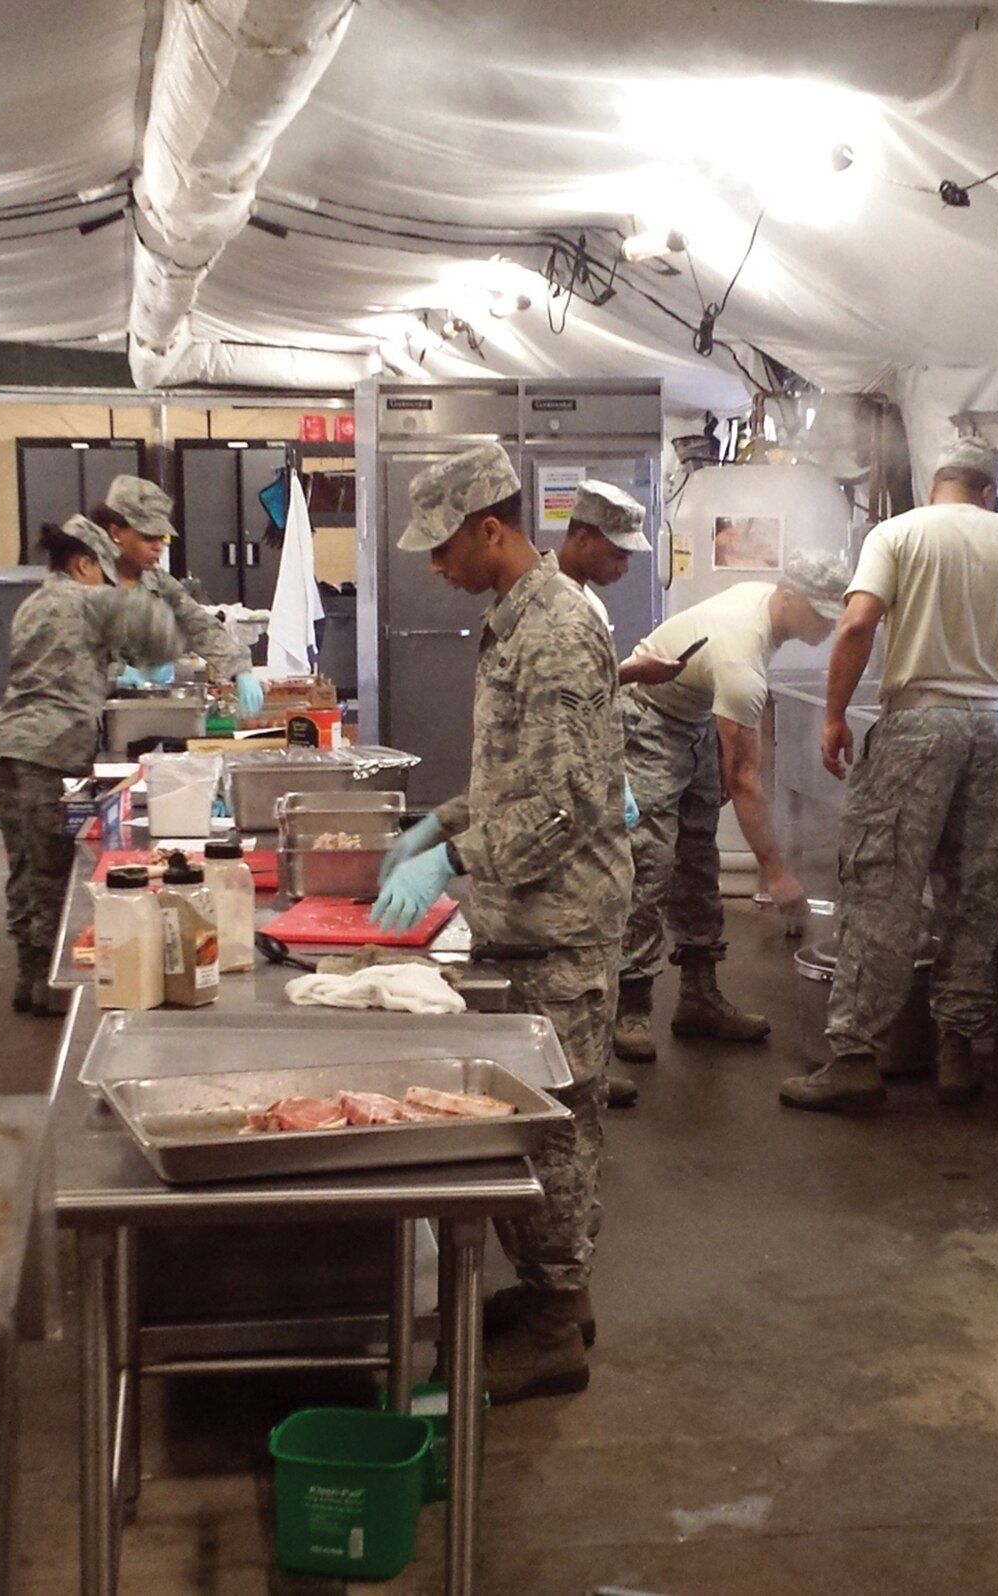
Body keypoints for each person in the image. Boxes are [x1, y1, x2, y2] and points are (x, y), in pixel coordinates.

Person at [369, 442, 628, 1403]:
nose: (434, 568)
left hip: (562, 922)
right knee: (533, 1117)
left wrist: (454, 858)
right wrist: (442, 819)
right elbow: (518, 781)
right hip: (525, 913)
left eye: (442, 548)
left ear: (490, 529)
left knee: (554, 1126)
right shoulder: (513, 617)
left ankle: (557, 1328)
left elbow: (561, 804)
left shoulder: (556, 628)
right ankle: (555, 1294)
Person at [780, 437, 998, 1113]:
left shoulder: (897, 534)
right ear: (989, 491)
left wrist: (835, 714)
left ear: (939, 486)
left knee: (883, 887)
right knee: (975, 893)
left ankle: (857, 1058)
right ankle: (957, 1052)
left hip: (921, 723)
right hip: (994, 727)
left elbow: (858, 622)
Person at [611, 549, 852, 1089]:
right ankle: (631, 1005)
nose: (830, 625)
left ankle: (698, 998)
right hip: (647, 719)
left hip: (691, 720)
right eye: (821, 613)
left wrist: (721, 753)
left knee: (699, 857)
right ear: (787, 598)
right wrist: (777, 872)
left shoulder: (763, 604)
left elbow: (746, 741)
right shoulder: (741, 658)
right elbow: (746, 780)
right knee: (650, 862)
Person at [0, 517, 183, 1012]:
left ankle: (29, 975)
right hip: (50, 750)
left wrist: (114, 665)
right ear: (84, 563)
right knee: (52, 868)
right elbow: (158, 630)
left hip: (8, 744)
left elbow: (62, 661)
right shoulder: (87, 598)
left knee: (24, 866)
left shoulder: (33, 603)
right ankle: (52, 985)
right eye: (104, 570)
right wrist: (164, 645)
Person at [552, 478, 686, 1107]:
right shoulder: (552, 603)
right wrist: (638, 671)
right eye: (616, 551)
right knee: (573, 944)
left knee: (599, 938)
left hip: (601, 785)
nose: (625, 565)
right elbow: (562, 711)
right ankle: (575, 1076)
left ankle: (589, 1067)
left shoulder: (586, 602)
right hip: (569, 797)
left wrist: (620, 780)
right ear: (581, 536)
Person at [90, 475, 265, 718]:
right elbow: (63, 659)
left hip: (137, 715)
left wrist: (240, 669)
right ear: (116, 532)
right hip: (88, 719)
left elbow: (199, 626)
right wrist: (116, 674)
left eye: (161, 538)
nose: (158, 547)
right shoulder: (87, 581)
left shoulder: (158, 582)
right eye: (148, 537)